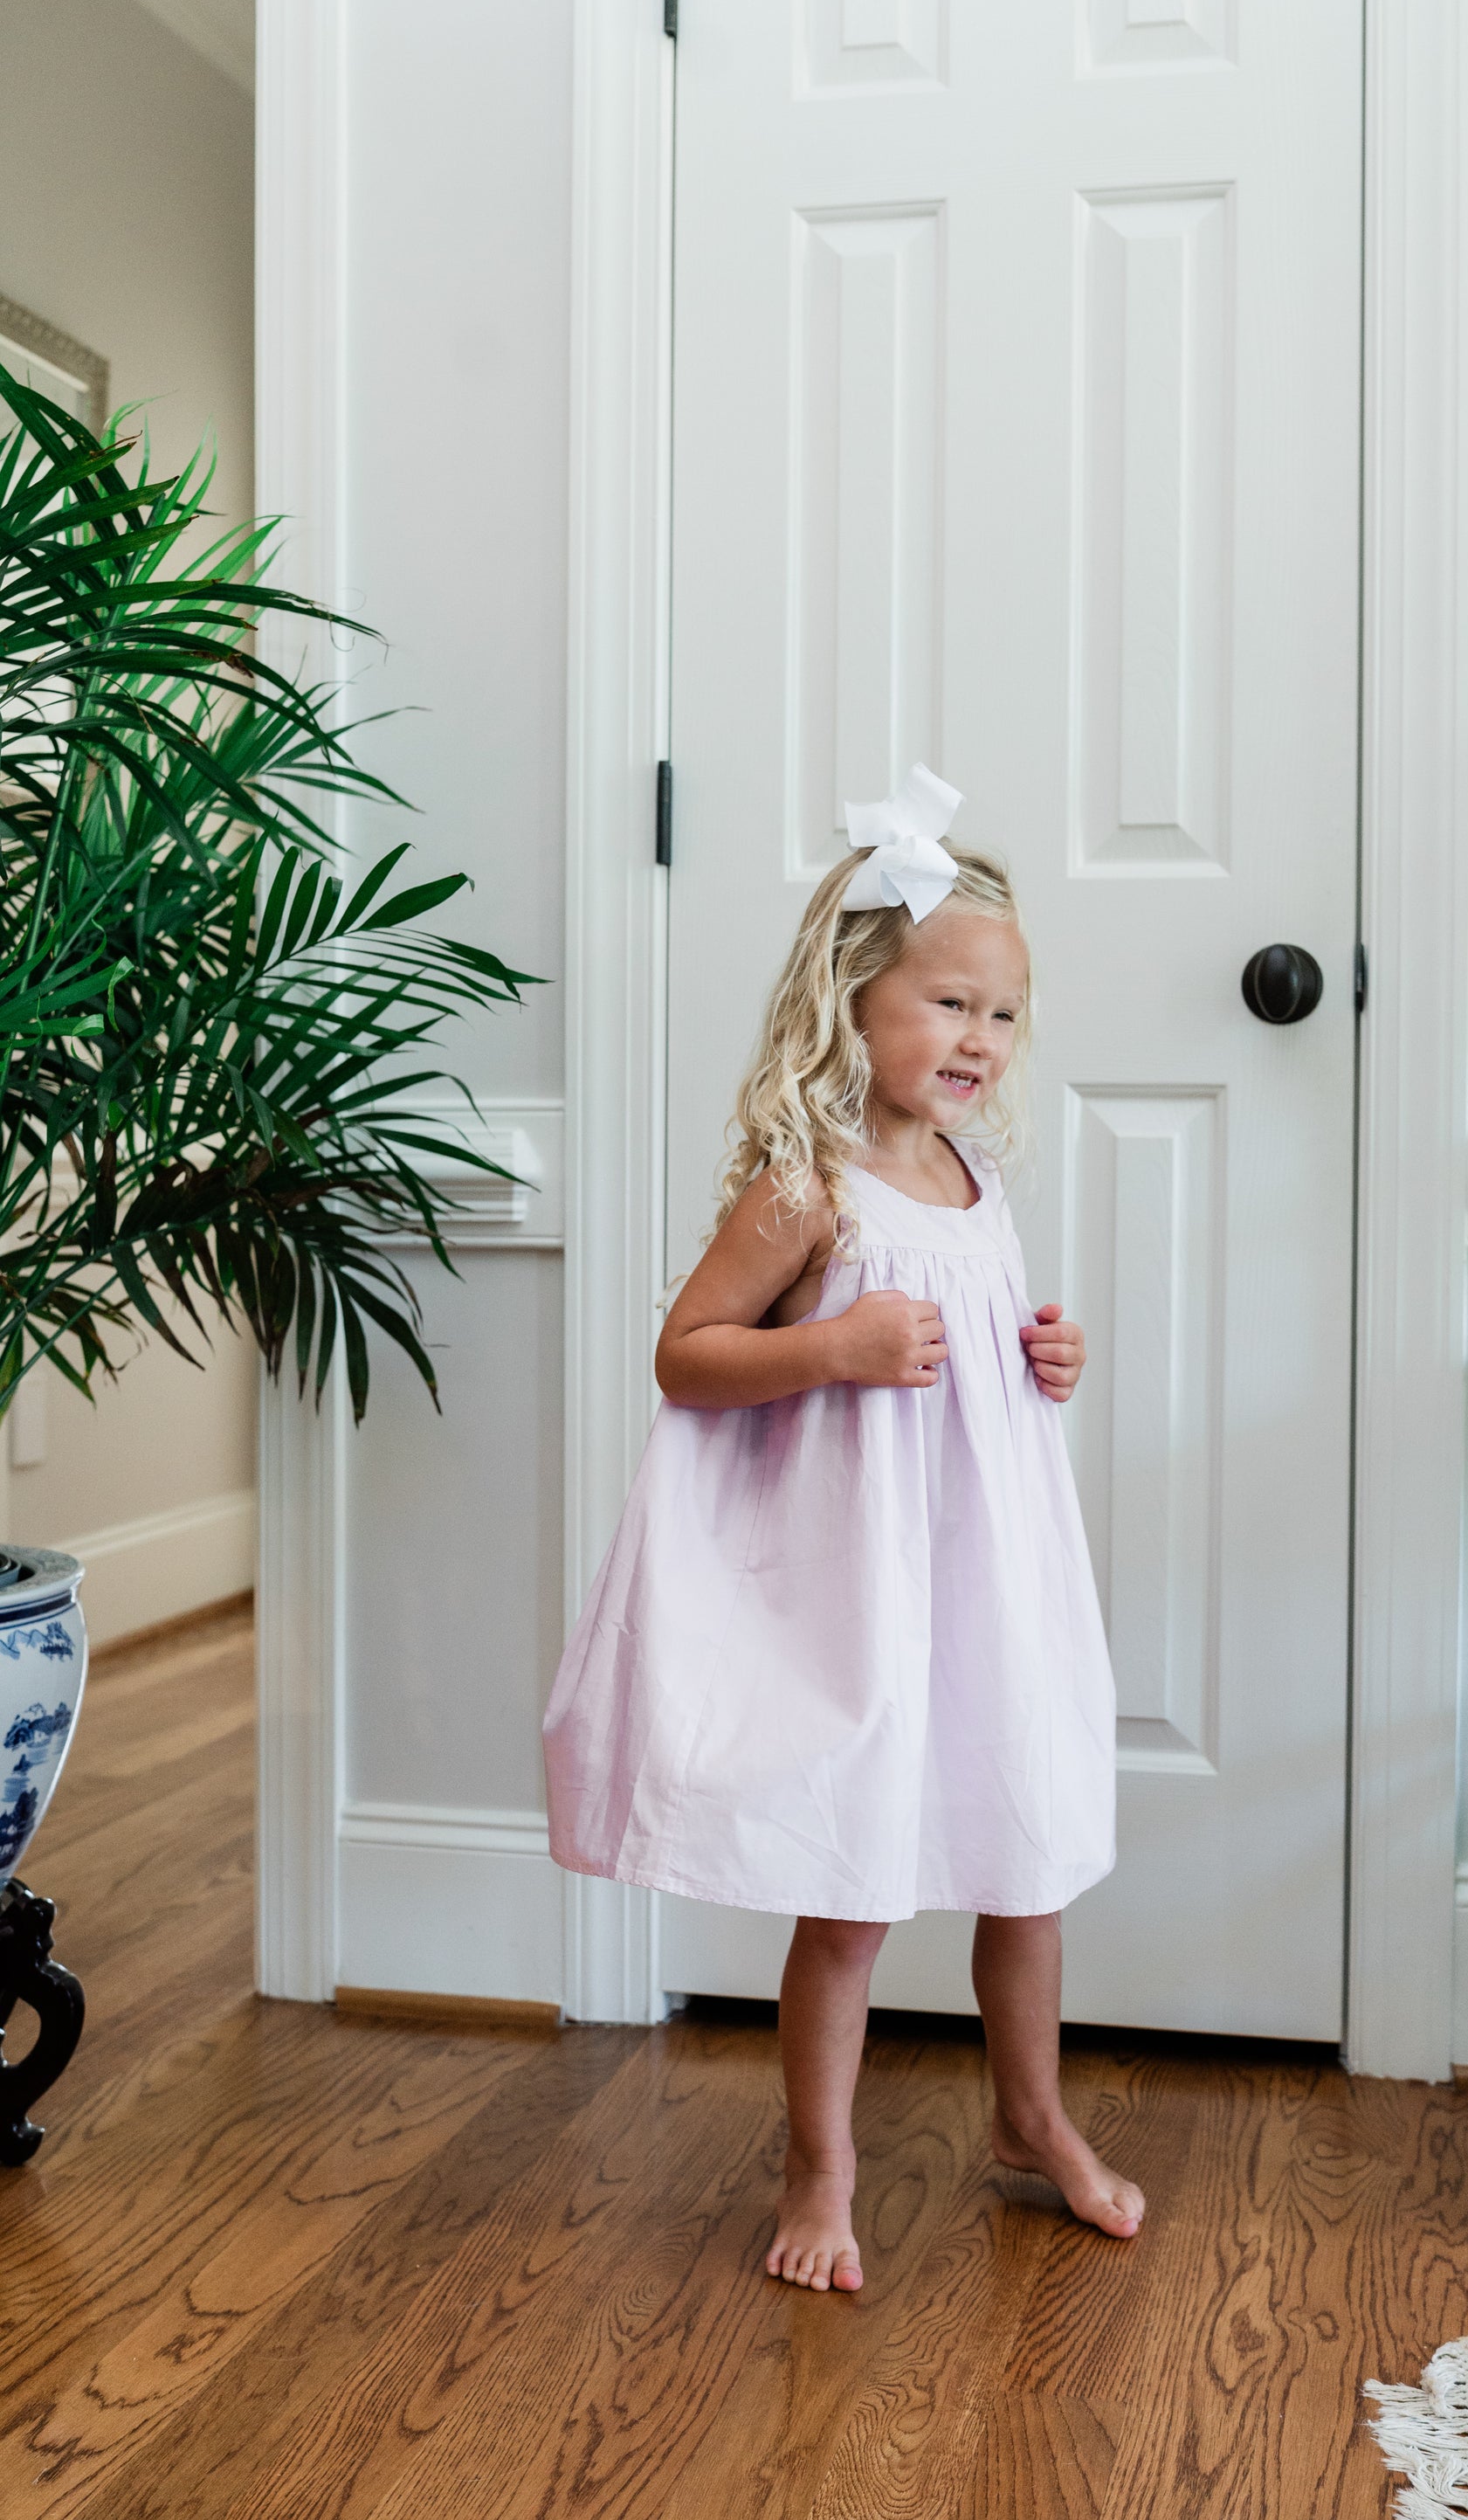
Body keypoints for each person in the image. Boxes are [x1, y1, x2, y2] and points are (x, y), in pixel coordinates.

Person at [543, 765, 1141, 2293]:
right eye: (947, 1004)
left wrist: (1042, 1355)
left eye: (1001, 1014)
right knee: (857, 1883)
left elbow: (976, 1344)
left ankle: (1030, 2114)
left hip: (987, 1569)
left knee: (1028, 1857)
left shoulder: (973, 1174)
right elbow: (687, 1354)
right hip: (865, 1584)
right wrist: (832, 1346)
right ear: (854, 998)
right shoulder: (805, 1184)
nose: (978, 1041)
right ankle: (823, 2163)